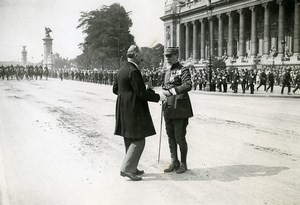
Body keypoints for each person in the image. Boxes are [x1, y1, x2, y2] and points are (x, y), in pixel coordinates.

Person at [113, 45, 166, 181]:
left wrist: (130, 92)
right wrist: (158, 97)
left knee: (129, 138)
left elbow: (115, 89)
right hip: (133, 108)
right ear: (135, 55)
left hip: (122, 108)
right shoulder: (134, 71)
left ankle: (132, 167)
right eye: (140, 55)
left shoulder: (121, 70)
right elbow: (141, 93)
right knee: (139, 139)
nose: (141, 58)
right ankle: (126, 169)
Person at [162, 47, 193, 174]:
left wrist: (171, 91)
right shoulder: (167, 71)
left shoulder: (183, 69)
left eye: (170, 55)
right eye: (166, 56)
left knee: (180, 137)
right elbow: (165, 86)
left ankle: (184, 163)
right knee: (170, 136)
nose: (167, 58)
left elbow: (188, 85)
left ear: (176, 55)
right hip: (168, 107)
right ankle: (174, 161)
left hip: (180, 107)